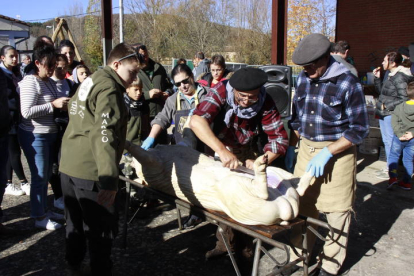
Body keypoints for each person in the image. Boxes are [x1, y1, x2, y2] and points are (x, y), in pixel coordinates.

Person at [284, 33, 369, 276]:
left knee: (337, 215)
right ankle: (298, 259)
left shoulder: (348, 83)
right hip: (307, 151)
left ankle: (330, 266)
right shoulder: (303, 79)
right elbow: (297, 119)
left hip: (338, 154)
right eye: (303, 67)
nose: (307, 71)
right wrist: (293, 145)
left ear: (327, 58)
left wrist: (328, 152)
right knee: (302, 209)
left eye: (312, 65)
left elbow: (360, 129)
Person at [189, 67, 288, 264]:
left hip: (246, 149)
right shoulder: (221, 90)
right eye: (242, 96)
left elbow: (279, 139)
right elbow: (196, 121)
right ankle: (224, 244)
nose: (246, 102)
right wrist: (222, 151)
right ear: (233, 89)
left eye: (252, 97)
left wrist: (261, 161)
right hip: (216, 146)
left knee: (246, 199)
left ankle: (246, 247)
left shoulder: (265, 100)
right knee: (222, 199)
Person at [59, 43, 142, 275]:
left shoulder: (92, 79)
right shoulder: (110, 88)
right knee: (100, 230)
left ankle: (73, 263)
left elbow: (78, 112)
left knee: (73, 223)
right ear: (116, 64)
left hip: (69, 163)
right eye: (132, 72)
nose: (135, 78)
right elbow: (103, 134)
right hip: (91, 170)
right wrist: (109, 181)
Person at [18, 45, 70, 230]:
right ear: (37, 63)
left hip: (50, 134)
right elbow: (26, 112)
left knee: (46, 174)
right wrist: (53, 105)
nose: (51, 69)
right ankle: (39, 216)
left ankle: (43, 210)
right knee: (39, 176)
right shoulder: (29, 82)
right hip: (35, 136)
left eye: (54, 65)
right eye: (49, 65)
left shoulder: (47, 80)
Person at [142, 63, 209, 149]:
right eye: (178, 84)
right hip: (182, 151)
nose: (183, 86)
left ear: (192, 76)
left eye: (185, 81)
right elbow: (162, 118)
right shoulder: (172, 100)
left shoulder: (207, 95)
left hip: (205, 149)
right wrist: (151, 137)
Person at [373, 52, 414, 180]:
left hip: (391, 114)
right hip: (383, 113)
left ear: (393, 63)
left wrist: (387, 106)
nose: (382, 63)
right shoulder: (390, 75)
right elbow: (382, 93)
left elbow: (404, 98)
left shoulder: (399, 77)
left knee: (391, 142)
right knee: (387, 141)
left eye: (385, 61)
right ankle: (390, 168)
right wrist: (377, 78)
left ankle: (392, 171)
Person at [0, 45, 30, 196]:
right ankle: (21, 182)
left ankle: (8, 182)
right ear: (2, 58)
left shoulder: (17, 73)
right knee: (13, 152)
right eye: (11, 56)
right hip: (7, 119)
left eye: (16, 56)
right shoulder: (2, 76)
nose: (14, 59)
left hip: (18, 118)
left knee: (12, 151)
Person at [136, 44, 173, 145]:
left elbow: (169, 86)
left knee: (162, 149)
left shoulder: (158, 67)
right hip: (143, 117)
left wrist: (168, 93)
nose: (145, 57)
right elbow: (126, 94)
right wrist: (147, 94)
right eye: (141, 56)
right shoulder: (134, 71)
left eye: (146, 54)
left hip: (160, 115)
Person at [387, 81, 414, 191]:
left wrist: (399, 134)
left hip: (399, 138)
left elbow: (394, 122)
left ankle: (393, 177)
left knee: (393, 157)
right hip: (412, 139)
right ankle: (406, 183)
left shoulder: (399, 107)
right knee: (408, 160)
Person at [124, 76, 149, 147]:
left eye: (140, 89)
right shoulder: (123, 106)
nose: (139, 93)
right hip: (128, 147)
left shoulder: (144, 105)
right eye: (136, 90)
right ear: (127, 89)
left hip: (143, 145)